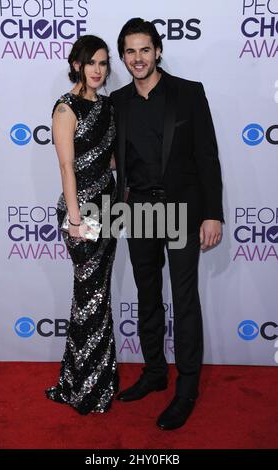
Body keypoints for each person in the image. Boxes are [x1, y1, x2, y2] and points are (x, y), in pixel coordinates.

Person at [111, 18, 224, 430]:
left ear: (158, 51)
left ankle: (187, 388)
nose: (137, 58)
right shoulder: (118, 101)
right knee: (146, 295)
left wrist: (213, 213)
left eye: (144, 49)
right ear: (123, 56)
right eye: (129, 51)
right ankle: (155, 372)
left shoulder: (188, 93)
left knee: (184, 297)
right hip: (138, 209)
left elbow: (207, 157)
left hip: (181, 209)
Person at [45, 35, 118, 414]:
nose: (97, 70)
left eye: (103, 63)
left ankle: (93, 379)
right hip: (82, 214)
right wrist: (75, 221)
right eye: (91, 62)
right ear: (76, 64)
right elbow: (66, 166)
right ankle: (83, 385)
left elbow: (108, 159)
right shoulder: (65, 108)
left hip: (109, 209)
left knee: (98, 295)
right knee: (89, 294)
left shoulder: (107, 106)